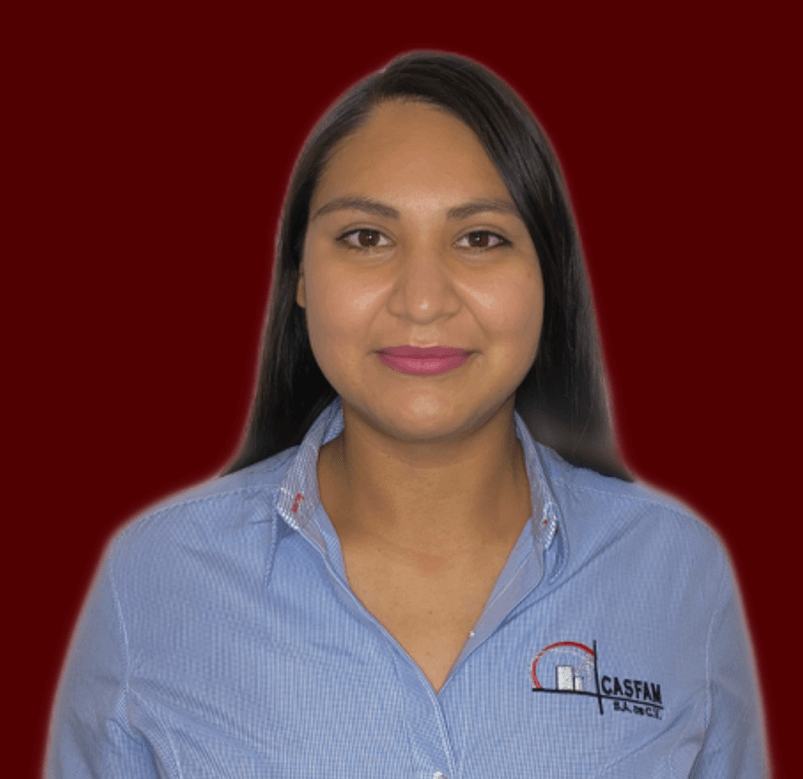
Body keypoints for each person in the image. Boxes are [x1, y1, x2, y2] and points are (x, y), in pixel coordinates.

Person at [46, 51, 767, 777]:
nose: (422, 300)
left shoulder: (677, 573)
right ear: (300, 278)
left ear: (546, 276)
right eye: (366, 237)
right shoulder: (155, 578)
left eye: (480, 237)